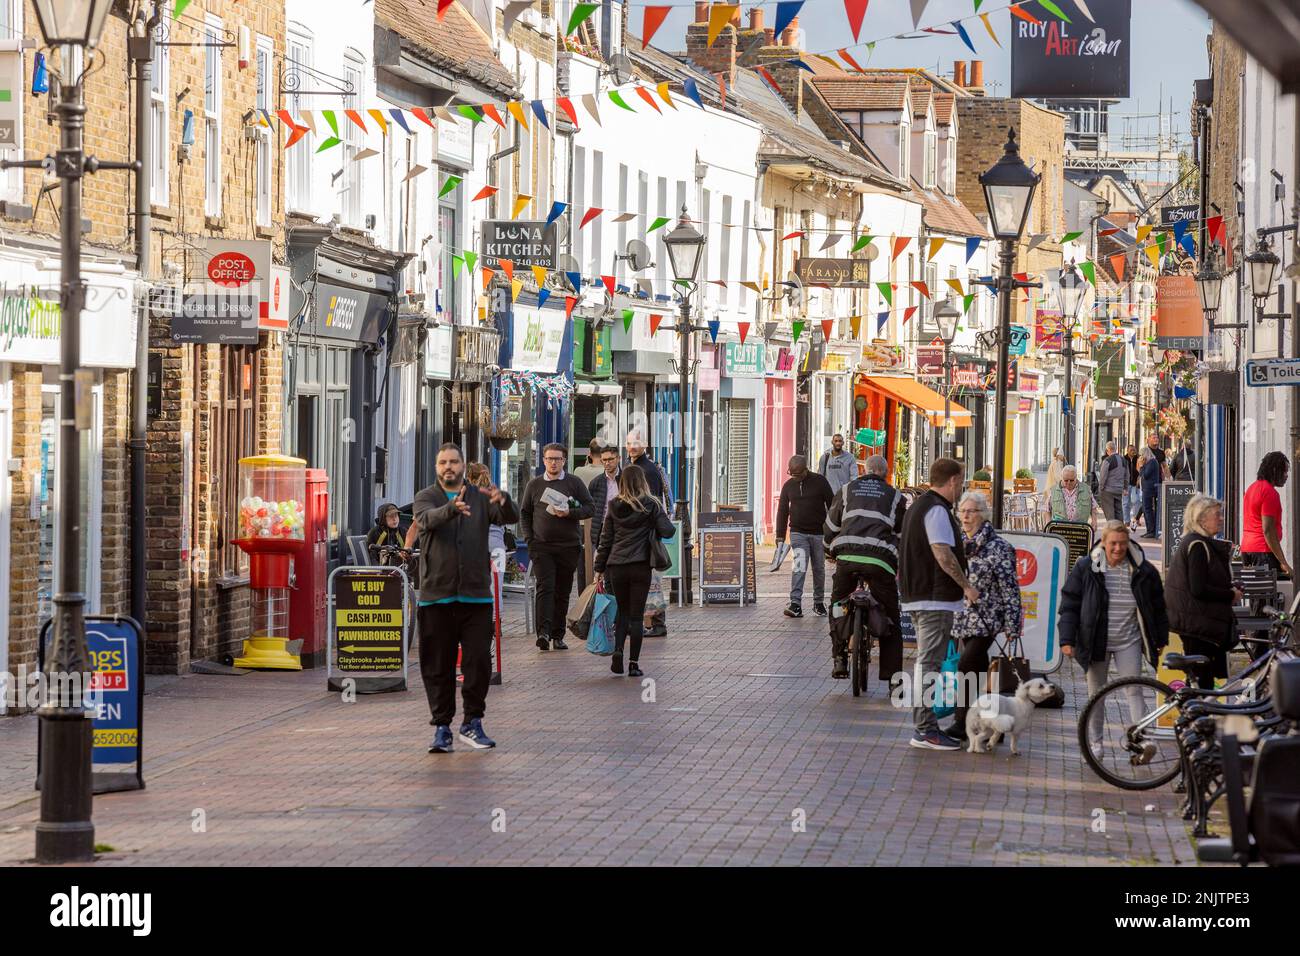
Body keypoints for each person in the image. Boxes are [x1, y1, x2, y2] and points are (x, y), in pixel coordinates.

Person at [412, 443, 518, 753]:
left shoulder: (479, 497)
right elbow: (426, 521)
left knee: (478, 662)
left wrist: (505, 499)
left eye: (454, 462)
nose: (449, 467)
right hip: (437, 596)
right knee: (438, 665)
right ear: (436, 467)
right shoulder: (425, 497)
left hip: (475, 596)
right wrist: (451, 509)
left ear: (462, 465)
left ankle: (473, 722)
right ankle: (442, 727)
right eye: (443, 462)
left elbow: (507, 516)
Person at [1060, 521, 1169, 754]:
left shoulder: (1142, 569)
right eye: (1113, 544)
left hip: (1128, 640)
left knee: (1135, 688)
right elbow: (1070, 602)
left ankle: (1141, 740)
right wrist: (1067, 639)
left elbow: (1158, 607)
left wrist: (1159, 639)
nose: (1118, 549)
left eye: (1122, 543)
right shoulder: (1087, 567)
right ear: (1104, 542)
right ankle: (1096, 743)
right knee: (1096, 693)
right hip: (1095, 639)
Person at [898, 457, 979, 751]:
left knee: (926, 662)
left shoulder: (917, 507)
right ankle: (925, 730)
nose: (963, 487)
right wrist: (967, 586)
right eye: (962, 480)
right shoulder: (936, 510)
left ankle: (925, 727)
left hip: (919, 595)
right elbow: (943, 554)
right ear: (954, 481)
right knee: (929, 664)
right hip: (934, 599)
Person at [947, 492, 1023, 741]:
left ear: (983, 515)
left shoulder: (999, 547)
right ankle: (993, 725)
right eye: (963, 511)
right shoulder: (955, 544)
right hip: (961, 618)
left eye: (972, 511)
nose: (966, 516)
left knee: (967, 664)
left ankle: (961, 722)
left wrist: (1012, 623)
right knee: (977, 667)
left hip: (987, 618)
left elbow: (1010, 588)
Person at [825, 455, 906, 683]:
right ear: (885, 474)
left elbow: (831, 526)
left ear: (864, 471)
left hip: (847, 557)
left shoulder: (847, 489)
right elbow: (900, 535)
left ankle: (839, 657)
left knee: (838, 604)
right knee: (892, 616)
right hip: (880, 561)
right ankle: (893, 678)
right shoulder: (895, 496)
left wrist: (828, 550)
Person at [594, 464, 676, 678]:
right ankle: (633, 664)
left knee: (621, 613)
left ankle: (618, 652)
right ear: (643, 482)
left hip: (616, 566)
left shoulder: (613, 506)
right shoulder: (651, 505)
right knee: (636, 617)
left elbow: (605, 540)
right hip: (640, 566)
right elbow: (669, 530)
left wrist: (598, 569)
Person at [519, 442, 595, 651]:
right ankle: (542, 633)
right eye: (550, 459)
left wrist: (570, 513)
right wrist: (529, 540)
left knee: (562, 591)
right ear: (543, 460)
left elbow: (590, 507)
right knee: (545, 587)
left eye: (558, 459)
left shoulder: (574, 483)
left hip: (569, 546)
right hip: (541, 546)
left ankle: (557, 635)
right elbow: (525, 513)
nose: (553, 463)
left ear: (564, 461)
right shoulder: (534, 485)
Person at [1164, 495, 1242, 690]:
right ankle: (1195, 717)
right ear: (1201, 519)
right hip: (1198, 626)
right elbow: (1198, 588)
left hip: (1198, 622)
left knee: (1200, 683)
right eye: (1217, 514)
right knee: (1203, 683)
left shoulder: (1197, 542)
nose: (1221, 518)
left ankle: (1195, 715)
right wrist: (1230, 595)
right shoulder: (1197, 545)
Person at [625, 431, 674, 637]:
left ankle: (657, 623)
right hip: (638, 534)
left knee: (651, 583)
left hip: (646, 534)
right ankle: (649, 622)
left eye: (636, 443)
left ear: (645, 444)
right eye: (629, 443)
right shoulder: (632, 466)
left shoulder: (648, 469)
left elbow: (650, 502)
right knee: (646, 583)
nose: (632, 446)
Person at [775, 455, 834, 618]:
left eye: (798, 475)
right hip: (797, 532)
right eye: (792, 475)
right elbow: (782, 510)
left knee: (819, 569)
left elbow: (833, 505)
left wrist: (833, 532)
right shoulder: (788, 486)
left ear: (806, 469)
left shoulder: (820, 482)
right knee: (799, 566)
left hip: (818, 533)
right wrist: (780, 535)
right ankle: (795, 604)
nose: (795, 478)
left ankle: (819, 603)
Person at [1241, 451, 1293, 577]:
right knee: (1268, 594)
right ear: (1275, 470)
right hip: (1263, 552)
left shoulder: (1251, 488)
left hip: (1247, 549)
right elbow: (1268, 530)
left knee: (1256, 593)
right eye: (1284, 471)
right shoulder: (1270, 493)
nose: (1286, 476)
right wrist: (1283, 562)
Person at [587, 446, 621, 550]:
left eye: (610, 459)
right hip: (602, 529)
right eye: (604, 460)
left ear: (618, 458)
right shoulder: (595, 483)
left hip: (621, 528)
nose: (607, 463)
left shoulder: (626, 479)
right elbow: (591, 507)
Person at [1047, 465, 1096, 531]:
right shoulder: (1053, 490)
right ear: (1061, 478)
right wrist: (1048, 525)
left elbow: (1093, 507)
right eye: (1066, 480)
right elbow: (1046, 509)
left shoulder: (1086, 489)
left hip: (1080, 529)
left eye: (1072, 480)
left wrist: (1094, 521)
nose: (1069, 483)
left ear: (1076, 477)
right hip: (1059, 529)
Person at [366, 502, 411, 567]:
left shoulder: (403, 531)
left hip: (402, 567)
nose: (394, 519)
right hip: (382, 569)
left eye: (396, 515)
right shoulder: (374, 532)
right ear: (383, 518)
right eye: (391, 516)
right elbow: (371, 556)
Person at [1097, 440, 1127, 522]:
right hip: (1119, 489)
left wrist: (1101, 488)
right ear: (1115, 449)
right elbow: (1127, 475)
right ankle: (1120, 529)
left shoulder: (1107, 460)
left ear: (1107, 450)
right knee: (1119, 511)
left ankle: (1112, 530)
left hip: (1108, 490)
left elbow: (1103, 476)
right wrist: (1125, 488)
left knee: (1109, 512)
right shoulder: (1123, 460)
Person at [1139, 448, 1163, 539]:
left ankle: (1151, 531)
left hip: (1150, 489)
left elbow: (1145, 475)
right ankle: (1149, 530)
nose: (1141, 458)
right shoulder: (1149, 463)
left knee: (1147, 509)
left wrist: (1141, 466)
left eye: (1142, 455)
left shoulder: (1152, 462)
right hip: (1147, 488)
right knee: (1145, 509)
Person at [1124, 443, 1143, 530]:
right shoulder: (1124, 459)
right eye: (1131, 450)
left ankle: (1136, 519)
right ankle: (1126, 520)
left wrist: (1139, 479)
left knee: (1137, 501)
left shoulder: (1138, 459)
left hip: (1136, 483)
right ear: (1127, 451)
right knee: (1126, 503)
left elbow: (1141, 471)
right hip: (1126, 484)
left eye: (1134, 450)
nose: (1133, 452)